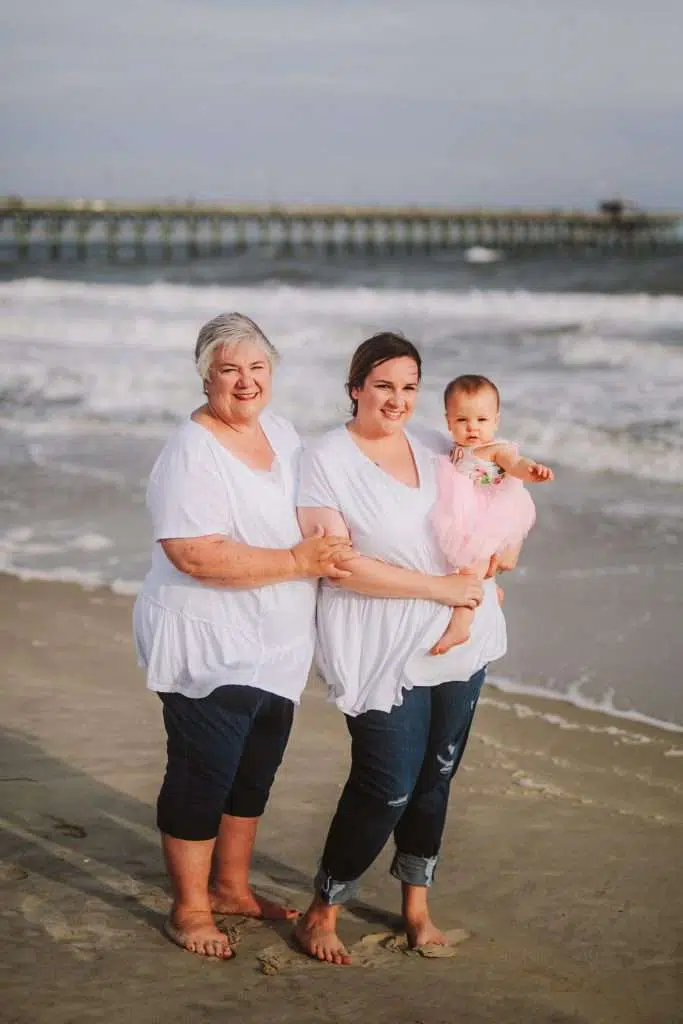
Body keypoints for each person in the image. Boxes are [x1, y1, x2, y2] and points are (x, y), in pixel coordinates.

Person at [133, 312, 352, 959]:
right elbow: (192, 552)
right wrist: (295, 564)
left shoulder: (280, 433)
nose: (245, 381)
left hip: (276, 645)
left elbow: (316, 507)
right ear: (206, 377)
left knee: (254, 774)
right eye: (229, 369)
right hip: (208, 640)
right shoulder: (191, 451)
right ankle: (190, 908)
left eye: (257, 368)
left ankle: (231, 888)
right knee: (203, 774)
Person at [293, 332, 510, 966]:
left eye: (410, 387)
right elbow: (340, 566)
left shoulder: (442, 445)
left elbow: (500, 504)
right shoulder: (325, 458)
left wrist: (492, 568)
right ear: (355, 386)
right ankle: (324, 908)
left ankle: (417, 906)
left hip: (463, 633)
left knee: (436, 775)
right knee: (386, 781)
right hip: (379, 641)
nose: (397, 399)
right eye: (383, 385)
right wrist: (443, 587)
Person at [430, 374, 554, 654]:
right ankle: (489, 590)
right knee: (467, 562)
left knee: (470, 568)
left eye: (482, 420)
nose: (473, 428)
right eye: (462, 420)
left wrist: (531, 471)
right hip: (463, 513)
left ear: (496, 421)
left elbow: (516, 463)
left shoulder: (496, 449)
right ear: (448, 421)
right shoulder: (454, 450)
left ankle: (461, 623)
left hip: (490, 515)